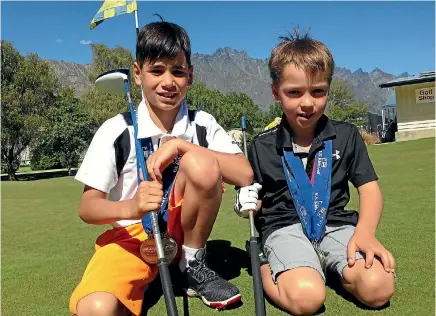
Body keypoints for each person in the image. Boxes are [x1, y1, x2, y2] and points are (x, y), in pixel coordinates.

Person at [70, 18, 253, 316]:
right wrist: (132, 207)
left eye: (178, 71)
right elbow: (88, 208)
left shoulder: (202, 124)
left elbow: (244, 173)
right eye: (156, 70)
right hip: (130, 240)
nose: (168, 82)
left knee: (201, 160)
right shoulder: (116, 129)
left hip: (182, 240)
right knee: (95, 308)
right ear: (138, 73)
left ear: (190, 76)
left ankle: (192, 265)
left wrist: (182, 146)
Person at [234, 29, 395, 316]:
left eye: (317, 91)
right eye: (294, 92)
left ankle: (322, 264)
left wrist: (366, 234)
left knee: (378, 289)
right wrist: (244, 201)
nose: (307, 102)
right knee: (307, 299)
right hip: (284, 229)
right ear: (276, 92)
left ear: (328, 90)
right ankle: (263, 262)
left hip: (337, 225)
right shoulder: (262, 145)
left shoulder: (346, 136)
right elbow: (255, 200)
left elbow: (369, 189)